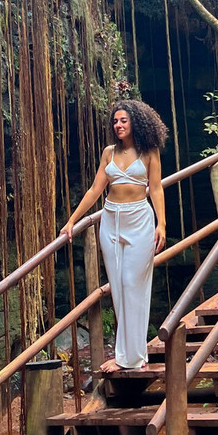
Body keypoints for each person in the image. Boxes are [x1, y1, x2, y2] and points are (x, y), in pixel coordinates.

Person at [60, 99, 168, 371]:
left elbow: (155, 189)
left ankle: (131, 358)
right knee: (118, 288)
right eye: (115, 121)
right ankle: (130, 355)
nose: (118, 125)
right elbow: (95, 190)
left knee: (133, 283)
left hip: (139, 220)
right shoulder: (109, 152)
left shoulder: (149, 151)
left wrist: (162, 224)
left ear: (136, 122)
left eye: (124, 121)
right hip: (110, 220)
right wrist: (71, 221)